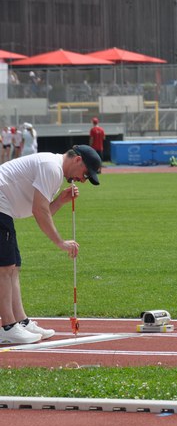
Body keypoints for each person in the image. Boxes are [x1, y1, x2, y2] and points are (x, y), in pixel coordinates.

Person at [0, 144, 101, 344]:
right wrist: (61, 242)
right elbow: (39, 212)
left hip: (5, 210)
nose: (83, 179)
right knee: (5, 269)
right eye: (86, 174)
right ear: (78, 160)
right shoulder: (51, 167)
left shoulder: (54, 171)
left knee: (13, 267)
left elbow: (38, 210)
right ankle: (8, 327)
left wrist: (60, 201)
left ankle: (20, 321)